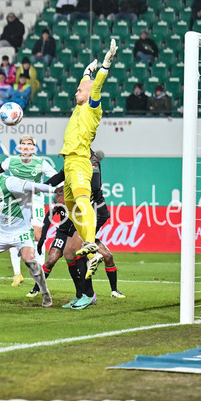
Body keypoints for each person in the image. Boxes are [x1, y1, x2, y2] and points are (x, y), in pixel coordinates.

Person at [29, 150, 125, 302]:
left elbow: (95, 186)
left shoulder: (89, 160)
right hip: (72, 222)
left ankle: (91, 293)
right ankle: (80, 294)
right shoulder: (71, 163)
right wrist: (38, 188)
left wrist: (76, 191)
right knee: (65, 254)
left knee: (79, 250)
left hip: (91, 214)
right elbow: (59, 178)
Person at [59, 38, 117, 286]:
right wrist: (86, 72)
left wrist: (104, 66)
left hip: (81, 161)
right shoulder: (78, 108)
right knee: (71, 208)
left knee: (83, 202)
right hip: (68, 164)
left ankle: (91, 243)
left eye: (79, 91)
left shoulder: (92, 108)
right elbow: (86, 85)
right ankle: (92, 254)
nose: (76, 93)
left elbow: (94, 87)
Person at [0, 155, 54, 307]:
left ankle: (45, 293)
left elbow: (34, 186)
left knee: (30, 261)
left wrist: (54, 189)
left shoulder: (9, 182)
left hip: (22, 231)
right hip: (1, 232)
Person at [1, 135, 57, 286]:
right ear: (19, 147)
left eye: (29, 144)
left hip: (35, 201)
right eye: (23, 144)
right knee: (14, 235)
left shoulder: (41, 163)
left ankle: (40, 274)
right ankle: (17, 274)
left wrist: (43, 188)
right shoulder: (10, 162)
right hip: (16, 203)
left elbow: (56, 177)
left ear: (34, 148)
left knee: (38, 235)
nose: (26, 147)